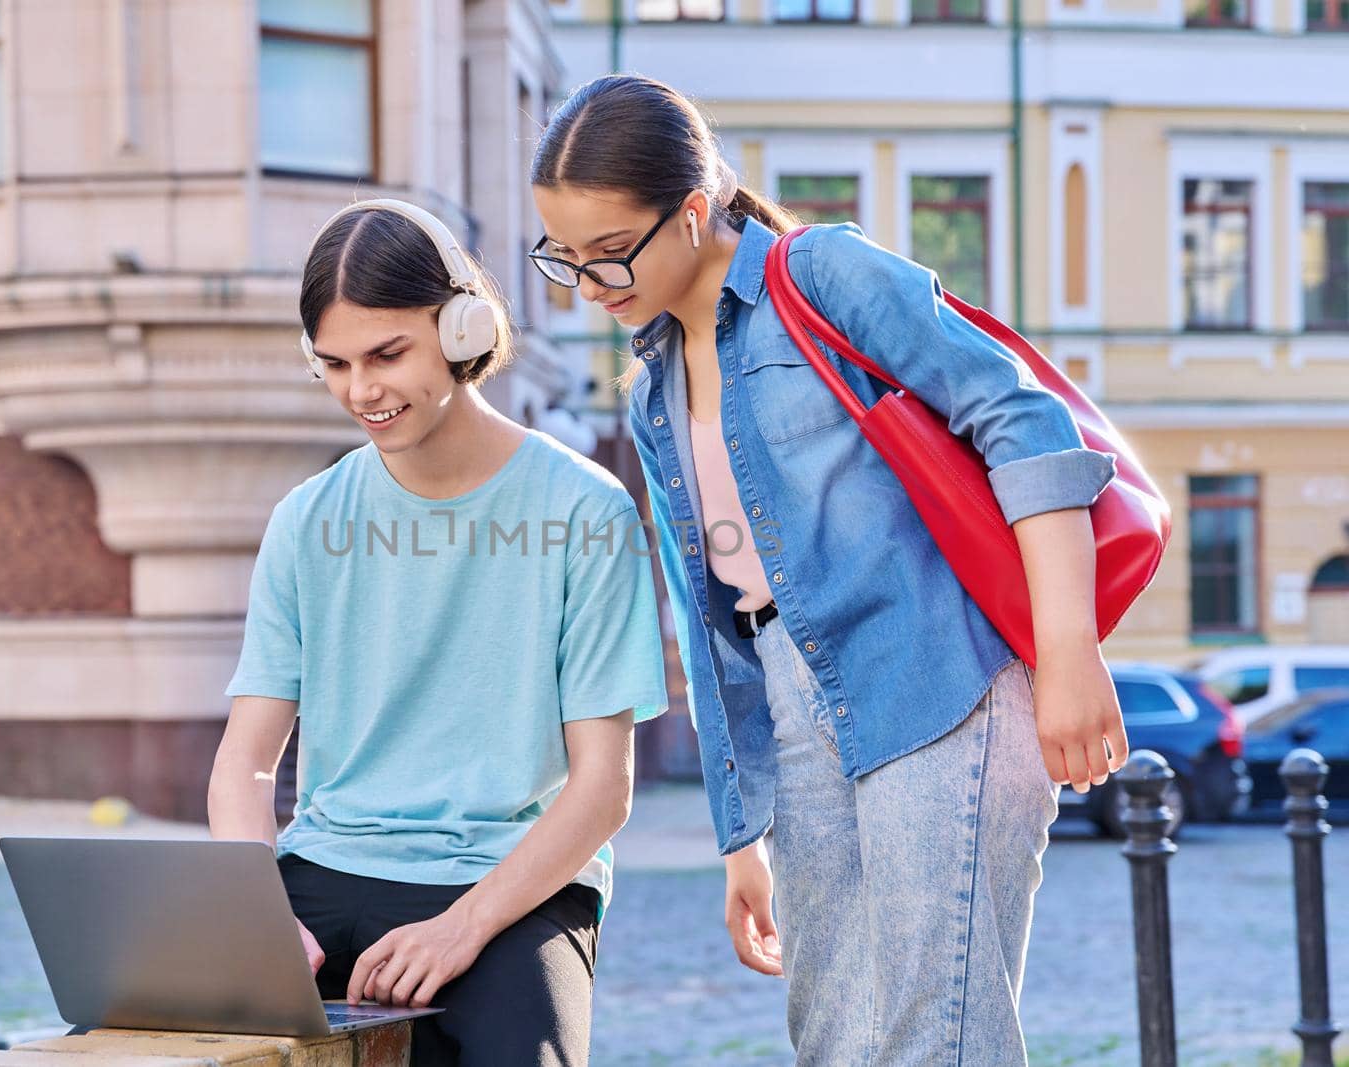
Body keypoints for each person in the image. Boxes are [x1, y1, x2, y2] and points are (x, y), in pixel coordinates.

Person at [528, 75, 1132, 1065]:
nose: (588, 286)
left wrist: (1068, 653)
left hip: (939, 679)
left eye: (607, 254)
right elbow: (712, 620)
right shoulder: (652, 389)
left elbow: (1025, 422)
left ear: (689, 213)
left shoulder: (824, 278)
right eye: (565, 259)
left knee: (932, 1033)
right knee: (833, 1042)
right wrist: (740, 827)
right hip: (797, 711)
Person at [206, 198, 669, 1067]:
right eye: (336, 364)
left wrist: (462, 928)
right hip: (325, 869)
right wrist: (258, 916)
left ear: (462, 330)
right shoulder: (306, 519)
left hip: (515, 882)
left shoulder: (585, 510)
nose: (362, 391)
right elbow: (246, 762)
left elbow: (602, 789)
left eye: (387, 354)